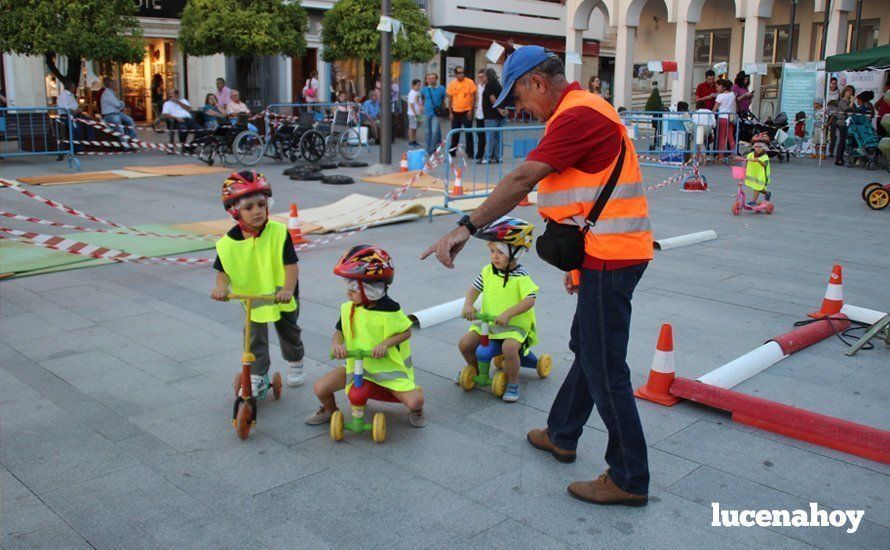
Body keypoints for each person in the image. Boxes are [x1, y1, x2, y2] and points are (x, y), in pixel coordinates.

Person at [422, 46, 653, 506]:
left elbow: (521, 179)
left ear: (538, 83)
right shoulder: (575, 112)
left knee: (605, 365)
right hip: (601, 252)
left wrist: (465, 228)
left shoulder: (577, 116)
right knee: (588, 349)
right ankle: (562, 433)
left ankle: (629, 476)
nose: (517, 109)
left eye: (518, 98)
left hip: (612, 253)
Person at [305, 245, 425, 428]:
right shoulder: (349, 308)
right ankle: (330, 410)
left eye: (354, 289)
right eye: (349, 287)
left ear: (371, 289)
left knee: (415, 401)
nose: (348, 293)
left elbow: (406, 332)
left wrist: (385, 344)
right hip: (357, 365)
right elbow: (339, 331)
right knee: (320, 388)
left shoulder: (390, 309)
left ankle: (415, 409)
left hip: (387, 368)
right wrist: (337, 345)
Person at [211, 171, 305, 391]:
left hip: (281, 292)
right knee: (254, 336)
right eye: (249, 207)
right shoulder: (227, 244)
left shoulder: (279, 232)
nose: (257, 212)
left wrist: (288, 290)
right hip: (253, 295)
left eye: (261, 205)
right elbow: (222, 270)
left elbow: (291, 265)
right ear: (235, 211)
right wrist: (221, 288)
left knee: (288, 330)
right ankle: (257, 374)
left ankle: (295, 359)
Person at [459, 217, 538, 402]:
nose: (495, 256)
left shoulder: (521, 276)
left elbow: (529, 300)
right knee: (465, 344)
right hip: (489, 324)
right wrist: (468, 304)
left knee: (510, 348)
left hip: (514, 326)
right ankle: (476, 370)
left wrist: (508, 314)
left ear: (517, 253)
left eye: (500, 252)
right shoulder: (488, 271)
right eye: (492, 251)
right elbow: (474, 288)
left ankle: (513, 383)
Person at [446, 66, 477, 157]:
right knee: (455, 132)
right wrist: (450, 112)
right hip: (455, 112)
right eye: (459, 73)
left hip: (467, 111)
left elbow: (474, 97)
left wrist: (471, 110)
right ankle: (452, 151)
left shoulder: (470, 82)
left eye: (463, 72)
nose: (461, 74)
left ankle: (470, 152)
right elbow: (450, 99)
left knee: (468, 132)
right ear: (455, 74)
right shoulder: (452, 84)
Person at [482, 68, 507, 164]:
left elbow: (492, 99)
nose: (483, 78)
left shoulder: (489, 86)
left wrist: (499, 109)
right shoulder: (498, 85)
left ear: (487, 76)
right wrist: (503, 109)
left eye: (484, 76)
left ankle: (487, 157)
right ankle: (498, 156)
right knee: (498, 137)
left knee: (490, 137)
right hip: (499, 116)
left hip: (491, 115)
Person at [740, 134, 772, 205]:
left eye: (760, 147)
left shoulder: (765, 156)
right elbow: (746, 159)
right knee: (759, 188)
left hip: (762, 175)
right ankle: (767, 193)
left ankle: (753, 201)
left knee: (757, 188)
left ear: (764, 148)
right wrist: (739, 158)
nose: (757, 148)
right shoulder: (751, 154)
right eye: (756, 146)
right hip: (755, 174)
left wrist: (758, 160)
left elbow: (765, 164)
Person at [422, 73, 447, 155]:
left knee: (435, 131)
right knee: (426, 132)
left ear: (436, 79)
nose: (431, 80)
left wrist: (444, 110)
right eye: (429, 78)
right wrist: (420, 106)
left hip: (436, 113)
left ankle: (432, 149)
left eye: (433, 78)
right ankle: (427, 149)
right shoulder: (424, 89)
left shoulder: (442, 88)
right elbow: (420, 98)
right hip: (426, 112)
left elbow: (444, 100)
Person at [714, 78, 737, 162]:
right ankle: (733, 154)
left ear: (722, 86)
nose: (716, 88)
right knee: (730, 136)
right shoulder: (732, 94)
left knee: (721, 137)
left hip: (722, 117)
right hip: (730, 117)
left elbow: (715, 108)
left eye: (717, 86)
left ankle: (721, 156)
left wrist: (712, 114)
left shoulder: (720, 96)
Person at [833, 85, 855, 166]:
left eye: (851, 91)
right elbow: (848, 110)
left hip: (847, 123)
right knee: (842, 141)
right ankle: (838, 159)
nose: (850, 93)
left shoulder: (848, 102)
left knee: (844, 141)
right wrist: (852, 102)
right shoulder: (842, 101)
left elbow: (853, 110)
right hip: (841, 123)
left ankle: (841, 158)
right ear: (845, 92)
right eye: (848, 91)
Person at [472, 69, 488, 161]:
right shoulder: (478, 86)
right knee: (480, 135)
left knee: (486, 136)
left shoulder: (488, 86)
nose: (480, 79)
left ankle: (484, 154)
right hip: (479, 113)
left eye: (482, 77)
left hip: (486, 114)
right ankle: (479, 153)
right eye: (479, 77)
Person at [406, 79, 423, 148]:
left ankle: (414, 140)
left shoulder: (417, 92)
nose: (419, 87)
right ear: (413, 85)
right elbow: (411, 104)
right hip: (413, 114)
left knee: (415, 127)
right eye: (418, 85)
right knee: (411, 127)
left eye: (419, 85)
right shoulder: (412, 93)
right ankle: (410, 142)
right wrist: (415, 113)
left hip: (417, 113)